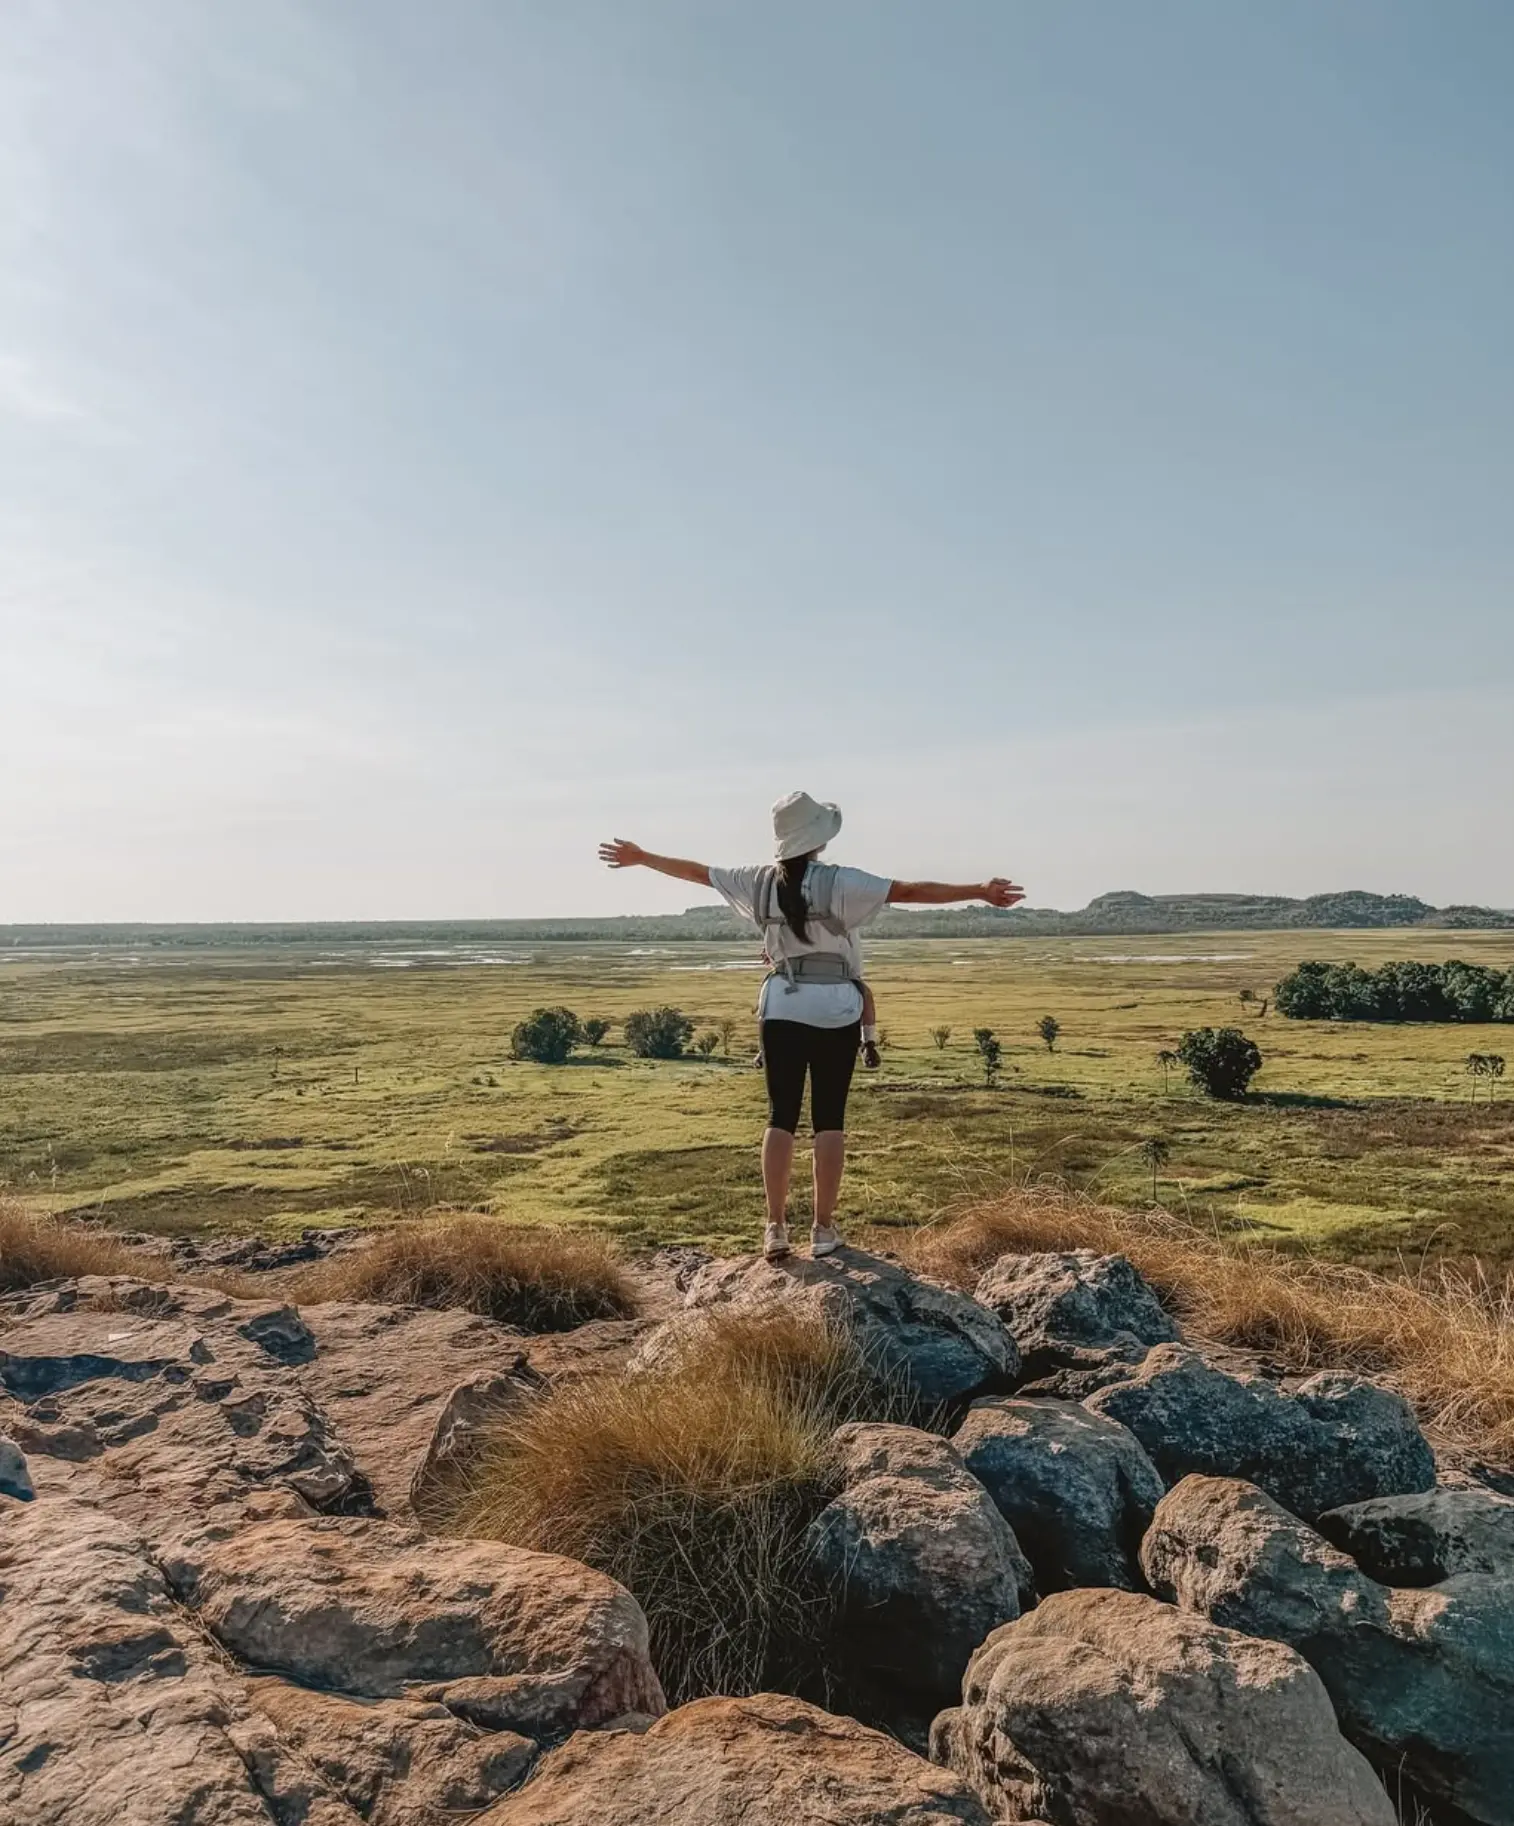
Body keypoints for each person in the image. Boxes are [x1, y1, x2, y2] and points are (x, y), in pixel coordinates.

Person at [598, 791, 1024, 1261]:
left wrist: (641, 858)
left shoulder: (757, 881)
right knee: (829, 1120)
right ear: (819, 841)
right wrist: (980, 890)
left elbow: (699, 873)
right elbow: (909, 891)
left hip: (781, 1005)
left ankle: (775, 1228)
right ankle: (823, 1231)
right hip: (837, 1008)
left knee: (780, 1116)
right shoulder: (841, 882)